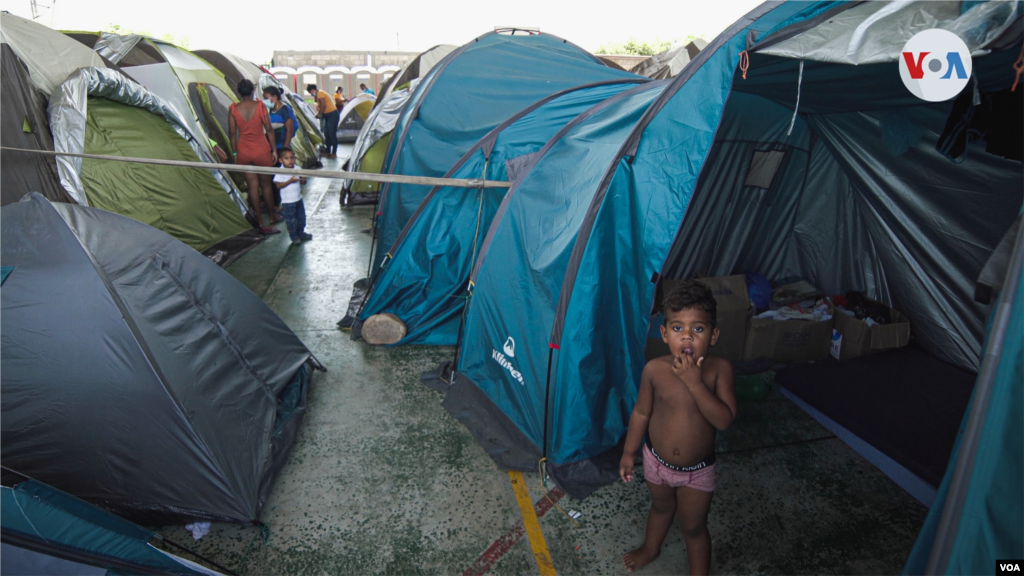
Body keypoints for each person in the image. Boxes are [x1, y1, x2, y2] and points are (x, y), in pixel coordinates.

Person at [619, 280, 737, 575]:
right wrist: (628, 452)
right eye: (677, 328)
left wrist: (694, 383)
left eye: (698, 328)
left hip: (697, 472)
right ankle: (650, 548)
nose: (687, 336)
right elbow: (642, 412)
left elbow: (724, 420)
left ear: (713, 335)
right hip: (655, 463)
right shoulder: (655, 370)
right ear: (664, 333)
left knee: (694, 527)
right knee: (660, 508)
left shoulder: (719, 370)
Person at [229, 79, 280, 234]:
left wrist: (235, 153)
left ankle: (258, 221)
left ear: (239, 93)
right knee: (266, 185)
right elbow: (269, 129)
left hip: (244, 151)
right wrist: (274, 150)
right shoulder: (260, 106)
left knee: (252, 187)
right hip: (261, 150)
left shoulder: (233, 109)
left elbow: (232, 133)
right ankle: (272, 216)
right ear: (252, 91)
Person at [273, 147, 312, 245]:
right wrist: (290, 181)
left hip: (298, 199)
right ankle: (294, 236)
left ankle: (301, 233)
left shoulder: (297, 168)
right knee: (291, 220)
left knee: (301, 217)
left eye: (292, 157)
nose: (290, 160)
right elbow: (278, 185)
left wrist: (303, 180)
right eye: (287, 158)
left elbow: (303, 181)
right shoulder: (280, 171)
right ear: (281, 160)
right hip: (288, 202)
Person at [307, 83, 339, 158]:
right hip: (327, 116)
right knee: (327, 134)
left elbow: (323, 105)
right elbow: (320, 105)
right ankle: (328, 151)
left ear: (313, 90)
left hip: (332, 115)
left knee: (332, 134)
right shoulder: (318, 95)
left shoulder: (320, 93)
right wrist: (319, 110)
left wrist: (319, 114)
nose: (311, 95)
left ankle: (334, 153)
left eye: (310, 93)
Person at [263, 86, 295, 152]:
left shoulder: (285, 109)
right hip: (272, 147)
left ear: (274, 97)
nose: (265, 101)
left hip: (281, 146)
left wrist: (285, 148)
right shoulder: (271, 110)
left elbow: (289, 130)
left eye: (266, 98)